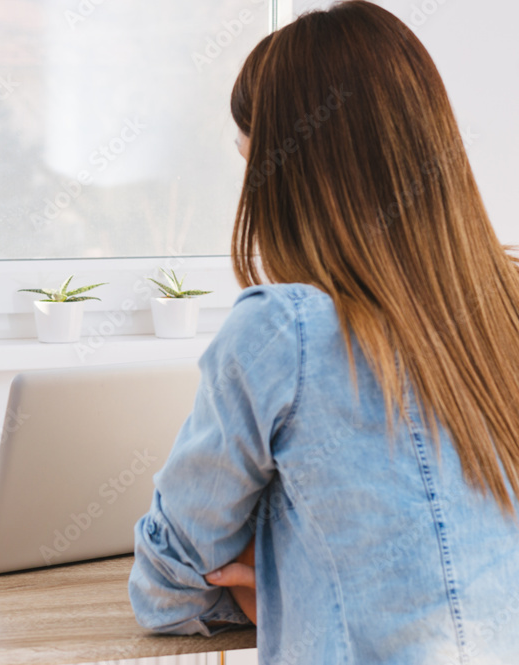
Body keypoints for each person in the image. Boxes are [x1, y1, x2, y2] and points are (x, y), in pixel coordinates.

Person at [129, 2, 519, 663]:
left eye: (249, 159)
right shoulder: (505, 309)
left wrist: (283, 587)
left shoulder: (282, 333)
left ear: (286, 172)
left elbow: (167, 586)